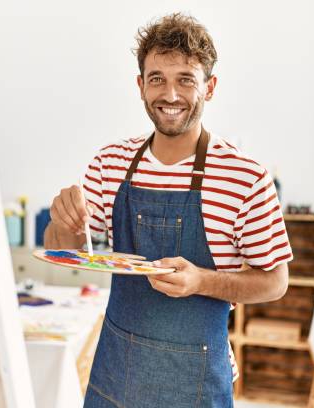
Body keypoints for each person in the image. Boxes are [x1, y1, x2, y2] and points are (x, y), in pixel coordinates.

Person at [44, 13, 293, 408]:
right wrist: (64, 221)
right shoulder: (110, 163)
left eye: (186, 80)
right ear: (141, 86)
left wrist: (202, 282)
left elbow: (275, 282)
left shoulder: (245, 177)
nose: (170, 94)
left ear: (209, 88)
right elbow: (67, 251)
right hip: (116, 375)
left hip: (194, 383)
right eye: (157, 78)